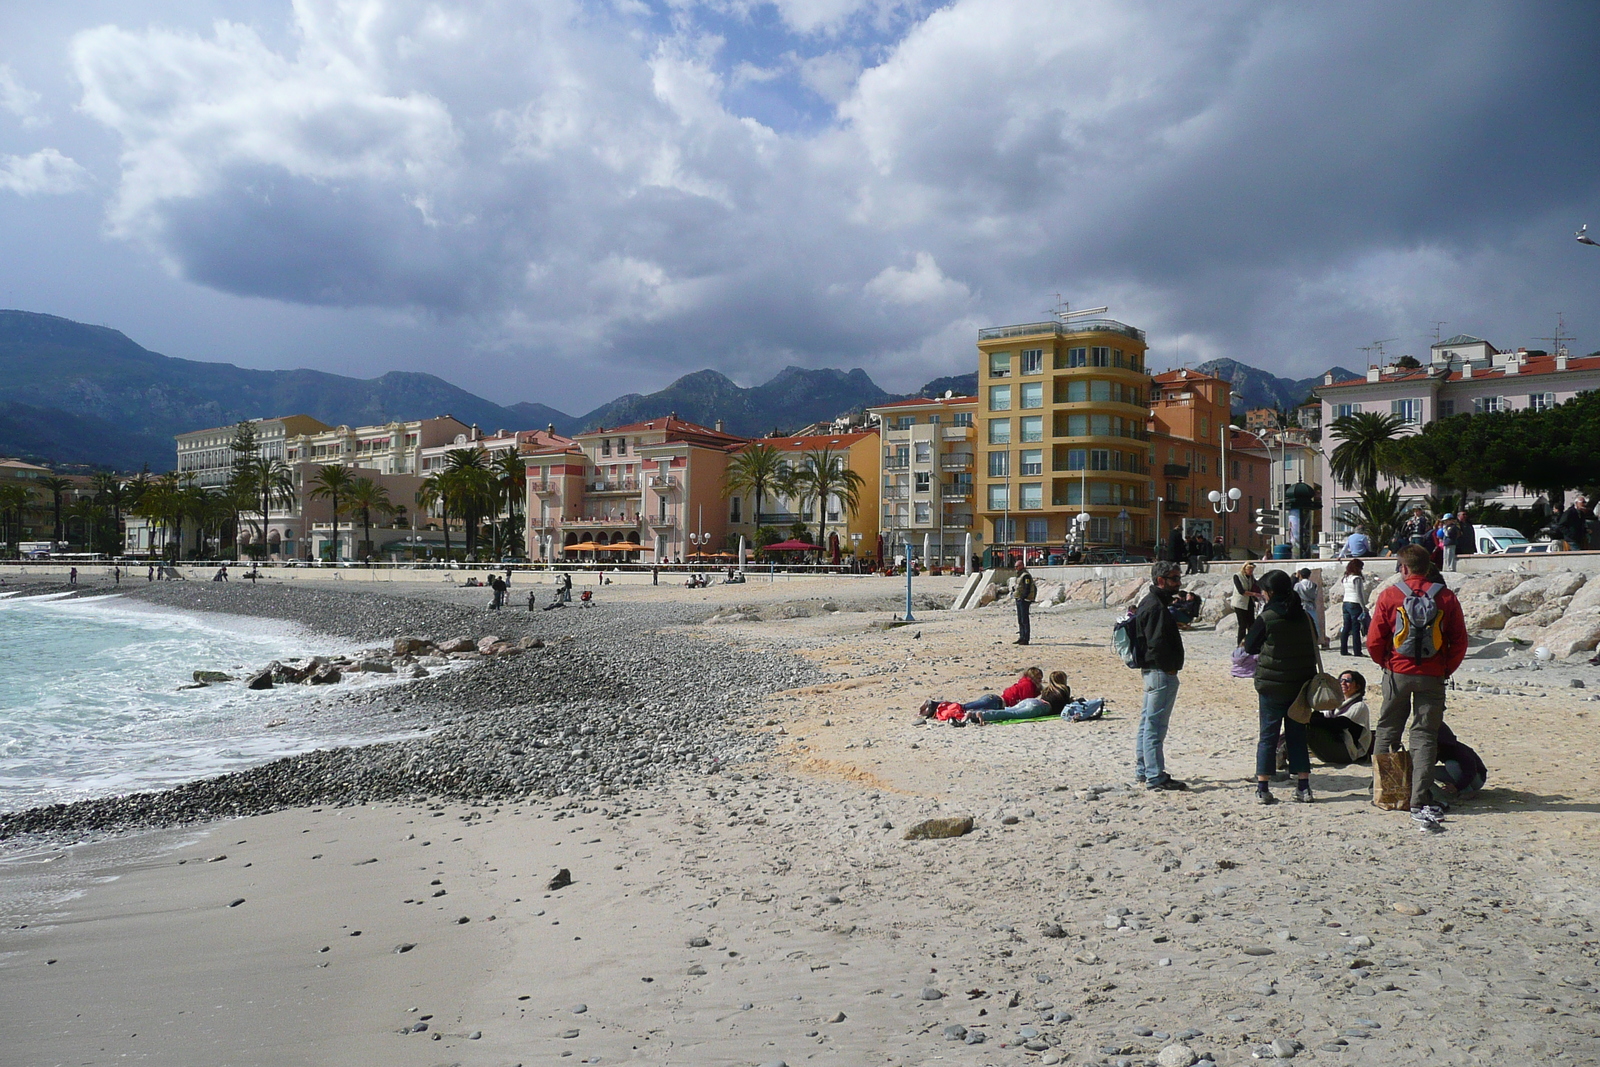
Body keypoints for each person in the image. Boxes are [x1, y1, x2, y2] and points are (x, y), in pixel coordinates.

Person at [1366, 543, 1469, 832]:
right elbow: (1459, 639)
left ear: (1403, 567)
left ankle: (1386, 789)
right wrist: (1446, 667)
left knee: (1388, 729)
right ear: (1428, 566)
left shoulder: (1390, 595)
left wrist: (1386, 663)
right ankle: (1418, 797)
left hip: (1397, 671)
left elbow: (1374, 638)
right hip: (1433, 674)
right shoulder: (1446, 597)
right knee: (1424, 735)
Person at [1243, 569, 1316, 804]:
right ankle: (1303, 787)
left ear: (1270, 592)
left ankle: (1263, 788)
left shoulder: (1268, 617)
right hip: (1300, 685)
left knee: (1268, 736)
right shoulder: (1304, 615)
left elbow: (1250, 647)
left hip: (1272, 686)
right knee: (1297, 735)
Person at [1134, 561, 1188, 791]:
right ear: (1160, 581)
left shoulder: (1152, 603)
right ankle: (1155, 775)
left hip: (1153, 673)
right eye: (1174, 578)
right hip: (1159, 673)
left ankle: (1144, 770)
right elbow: (1156, 644)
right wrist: (1170, 669)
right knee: (1155, 726)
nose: (1179, 582)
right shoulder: (1155, 606)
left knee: (1147, 724)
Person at [1303, 668, 1374, 766]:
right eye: (1340, 680)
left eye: (1348, 681)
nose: (1343, 683)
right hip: (1334, 747)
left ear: (1358, 686)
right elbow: (1322, 718)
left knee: (1308, 726)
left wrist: (1310, 719)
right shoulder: (1334, 703)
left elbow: (1339, 724)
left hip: (1347, 752)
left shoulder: (1359, 706)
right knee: (1300, 722)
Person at [964, 670, 1072, 723]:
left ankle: (972, 713)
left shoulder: (1047, 689)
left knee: (1009, 710)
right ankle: (982, 715)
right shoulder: (1063, 689)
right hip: (1041, 707)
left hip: (1031, 701)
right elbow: (1064, 706)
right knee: (1010, 714)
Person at [1431, 722, 1487, 805]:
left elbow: (1470, 771)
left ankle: (1467, 791)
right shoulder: (1439, 751)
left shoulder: (1460, 750)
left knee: (1451, 765)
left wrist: (1457, 787)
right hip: (1461, 775)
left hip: (1476, 778)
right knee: (1431, 771)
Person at [1294, 568, 1330, 650]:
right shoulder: (1313, 585)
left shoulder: (1297, 585)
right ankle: (1316, 641)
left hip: (1301, 605)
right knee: (1314, 625)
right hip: (1311, 605)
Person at [1339, 559, 1368, 656]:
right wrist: (1364, 607)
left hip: (1346, 602)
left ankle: (1343, 650)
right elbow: (1359, 594)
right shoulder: (1357, 578)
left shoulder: (1346, 578)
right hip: (1355, 603)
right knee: (1356, 628)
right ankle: (1357, 651)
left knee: (1346, 627)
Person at [1230, 561, 1262, 644]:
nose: (1251, 572)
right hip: (1240, 603)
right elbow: (1241, 591)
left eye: (1252, 570)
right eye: (1250, 570)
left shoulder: (1251, 577)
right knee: (1242, 625)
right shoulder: (1237, 576)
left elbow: (1256, 584)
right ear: (1245, 569)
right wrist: (1254, 594)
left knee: (1251, 624)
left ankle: (1251, 642)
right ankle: (1240, 644)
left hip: (1249, 602)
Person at [1013, 564, 1037, 646]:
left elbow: (1027, 587)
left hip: (1024, 600)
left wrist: (1023, 597)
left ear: (1021, 566)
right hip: (1019, 599)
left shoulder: (1025, 576)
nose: (1015, 568)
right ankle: (1021, 637)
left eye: (1017, 566)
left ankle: (1026, 638)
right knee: (1020, 619)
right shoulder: (1019, 575)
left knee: (1024, 619)